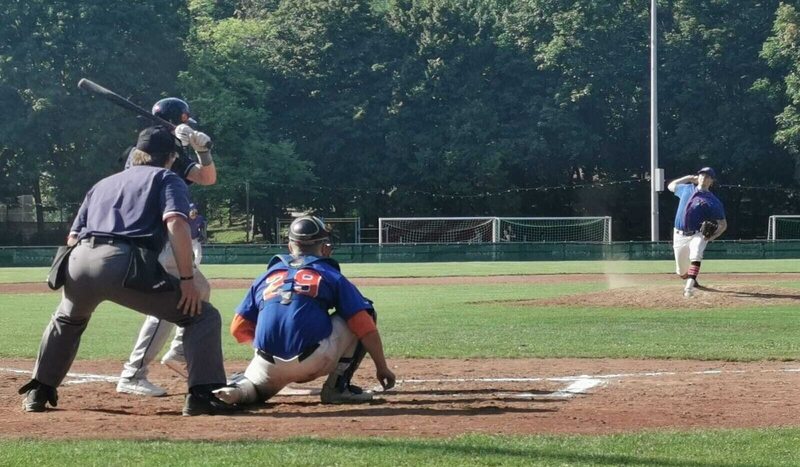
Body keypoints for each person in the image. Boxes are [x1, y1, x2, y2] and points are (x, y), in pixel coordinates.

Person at [18, 126, 238, 415]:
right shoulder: (167, 178)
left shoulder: (103, 183)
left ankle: (39, 391)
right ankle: (201, 396)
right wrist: (186, 279)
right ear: (171, 157)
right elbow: (176, 224)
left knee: (67, 320)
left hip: (79, 260)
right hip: (123, 261)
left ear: (138, 154)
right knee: (201, 316)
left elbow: (72, 237)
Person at [212, 216, 396, 406]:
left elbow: (237, 328)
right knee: (364, 312)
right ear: (325, 247)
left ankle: (235, 392)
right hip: (314, 360)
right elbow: (364, 325)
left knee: (255, 387)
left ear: (290, 247)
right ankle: (338, 388)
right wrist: (382, 368)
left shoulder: (265, 276)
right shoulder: (330, 274)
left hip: (267, 361)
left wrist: (268, 343)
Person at [117, 98, 217, 397]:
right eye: (184, 122)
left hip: (148, 239)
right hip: (158, 238)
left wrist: (199, 150)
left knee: (199, 290)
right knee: (170, 301)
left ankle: (178, 353)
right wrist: (199, 151)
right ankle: (133, 373)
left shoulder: (150, 150)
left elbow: (205, 177)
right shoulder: (161, 154)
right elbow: (207, 178)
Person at [667, 167, 727, 298]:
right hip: (679, 235)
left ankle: (688, 288)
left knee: (696, 254)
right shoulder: (686, 189)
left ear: (711, 181)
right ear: (697, 177)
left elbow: (723, 224)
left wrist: (713, 236)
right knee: (681, 271)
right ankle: (691, 279)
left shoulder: (713, 201)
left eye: (707, 176)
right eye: (701, 175)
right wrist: (688, 177)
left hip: (697, 234)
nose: (703, 178)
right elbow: (671, 186)